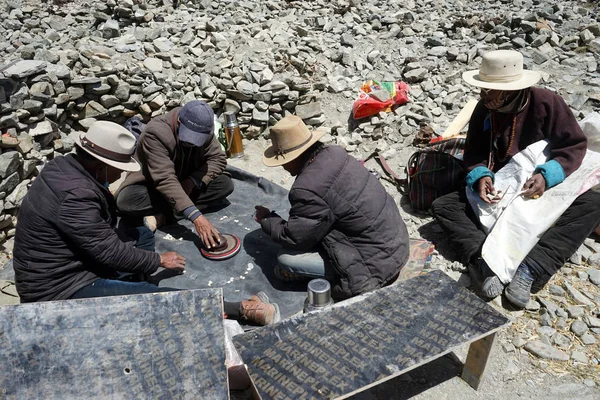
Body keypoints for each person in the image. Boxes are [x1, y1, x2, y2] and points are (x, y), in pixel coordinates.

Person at [13, 121, 278, 326]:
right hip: (61, 287)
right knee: (156, 298)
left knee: (138, 229)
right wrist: (158, 262)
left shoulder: (63, 167)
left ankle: (130, 278)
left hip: (80, 259)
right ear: (101, 165)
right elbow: (108, 252)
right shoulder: (75, 197)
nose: (120, 173)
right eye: (118, 167)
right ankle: (240, 308)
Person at [431, 50, 600, 308]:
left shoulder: (547, 103)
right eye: (483, 90)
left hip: (541, 188)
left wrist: (547, 175)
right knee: (444, 206)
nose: (483, 97)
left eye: (490, 92)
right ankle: (484, 263)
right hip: (504, 187)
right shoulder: (484, 109)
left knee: (593, 205)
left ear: (511, 90)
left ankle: (533, 268)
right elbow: (475, 152)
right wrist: (480, 177)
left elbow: (574, 146)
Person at [254, 115, 410, 300]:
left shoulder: (307, 188)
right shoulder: (335, 153)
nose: (284, 167)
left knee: (285, 259)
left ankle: (326, 277)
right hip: (397, 243)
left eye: (284, 160)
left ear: (295, 157)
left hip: (376, 264)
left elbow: (295, 238)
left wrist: (267, 220)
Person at [116, 100, 233, 250]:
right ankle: (175, 212)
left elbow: (218, 159)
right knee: (126, 201)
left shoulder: (205, 129)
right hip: (154, 184)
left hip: (186, 180)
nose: (192, 144)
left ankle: (162, 217)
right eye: (189, 139)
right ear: (179, 122)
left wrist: (192, 181)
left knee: (224, 184)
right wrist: (196, 217)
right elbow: (165, 179)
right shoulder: (156, 132)